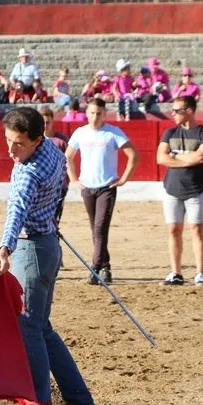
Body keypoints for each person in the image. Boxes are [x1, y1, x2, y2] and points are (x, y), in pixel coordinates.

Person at [0, 106, 97, 405]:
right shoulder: (52, 148)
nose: (11, 150)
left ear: (36, 140)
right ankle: (79, 402)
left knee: (29, 330)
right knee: (41, 328)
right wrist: (50, 214)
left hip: (32, 251)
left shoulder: (27, 173)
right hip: (48, 244)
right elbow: (61, 185)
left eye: (19, 143)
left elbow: (16, 211)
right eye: (8, 141)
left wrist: (4, 248)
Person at [65, 98, 139, 284]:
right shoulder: (80, 132)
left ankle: (96, 268)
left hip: (107, 187)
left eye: (98, 113)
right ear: (86, 113)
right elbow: (68, 156)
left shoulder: (113, 132)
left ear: (104, 114)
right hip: (87, 187)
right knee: (96, 229)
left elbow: (133, 154)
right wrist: (73, 179)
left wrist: (124, 178)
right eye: (92, 113)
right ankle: (106, 267)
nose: (95, 117)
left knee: (99, 228)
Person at [156, 95, 203, 286]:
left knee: (196, 229)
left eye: (176, 111)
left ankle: (200, 272)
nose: (172, 114)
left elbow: (201, 157)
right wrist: (189, 159)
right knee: (173, 229)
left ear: (189, 110)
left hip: (195, 189)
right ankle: (176, 272)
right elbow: (160, 158)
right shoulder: (170, 133)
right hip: (171, 188)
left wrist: (174, 158)